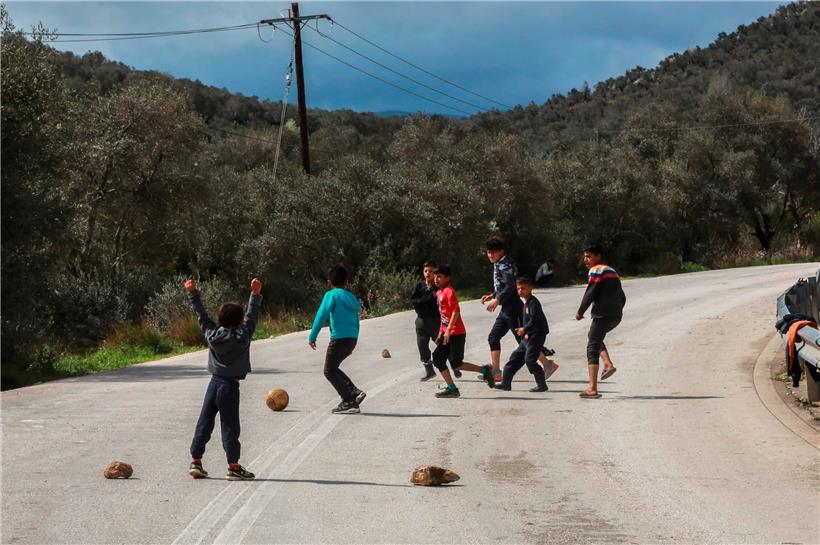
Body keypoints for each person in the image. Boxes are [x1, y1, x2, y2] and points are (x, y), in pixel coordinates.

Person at [186, 277, 262, 481]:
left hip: (214, 383)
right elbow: (252, 316)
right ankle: (234, 466)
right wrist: (254, 294)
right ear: (239, 322)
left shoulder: (212, 334)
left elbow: (202, 315)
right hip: (230, 387)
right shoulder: (243, 336)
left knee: (205, 421)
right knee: (230, 426)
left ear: (220, 320)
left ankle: (196, 461)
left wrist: (193, 293)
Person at [481, 236, 556, 382]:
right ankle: (496, 372)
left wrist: (497, 299)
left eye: (493, 252)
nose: (490, 255)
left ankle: (547, 364)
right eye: (488, 252)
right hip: (506, 310)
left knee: (524, 341)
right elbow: (502, 286)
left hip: (514, 308)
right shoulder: (499, 263)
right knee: (493, 337)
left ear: (501, 251)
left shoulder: (505, 265)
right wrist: (492, 295)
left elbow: (510, 286)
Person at [431, 265, 496, 398]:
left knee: (457, 364)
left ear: (447, 278)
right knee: (438, 359)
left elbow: (456, 311)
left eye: (439, 276)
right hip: (446, 332)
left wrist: (448, 330)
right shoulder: (438, 293)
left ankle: (485, 370)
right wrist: (440, 332)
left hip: (456, 333)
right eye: (435, 276)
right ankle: (452, 388)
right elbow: (443, 316)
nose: (436, 279)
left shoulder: (449, 291)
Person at [308, 265, 366, 414]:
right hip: (351, 339)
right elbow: (356, 321)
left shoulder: (331, 295)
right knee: (333, 368)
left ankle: (349, 401)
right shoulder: (351, 297)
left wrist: (312, 336)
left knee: (329, 370)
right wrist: (354, 341)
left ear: (329, 282)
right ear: (346, 281)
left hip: (339, 339)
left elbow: (321, 315)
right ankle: (353, 392)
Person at [576, 243, 626, 398]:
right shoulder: (612, 271)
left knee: (592, 346)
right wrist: (617, 309)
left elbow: (591, 292)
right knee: (594, 338)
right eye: (584, 256)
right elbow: (622, 296)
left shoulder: (596, 270)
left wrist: (580, 311)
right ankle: (608, 364)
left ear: (599, 256)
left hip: (602, 314)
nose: (586, 259)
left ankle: (592, 388)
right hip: (616, 315)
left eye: (589, 256)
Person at [495, 276, 550, 392]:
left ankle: (542, 385)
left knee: (530, 360)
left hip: (537, 336)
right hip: (528, 337)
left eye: (523, 288)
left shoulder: (534, 303)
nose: (520, 291)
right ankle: (506, 383)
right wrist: (525, 332)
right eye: (518, 288)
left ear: (530, 288)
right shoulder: (526, 303)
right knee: (515, 358)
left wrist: (525, 330)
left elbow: (535, 319)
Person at [411, 261, 461, 380]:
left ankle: (455, 366)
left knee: (443, 346)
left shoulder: (437, 288)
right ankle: (429, 371)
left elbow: (429, 300)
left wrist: (420, 301)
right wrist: (421, 302)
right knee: (422, 346)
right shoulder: (420, 285)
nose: (428, 274)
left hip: (435, 321)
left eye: (431, 271)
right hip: (421, 321)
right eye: (426, 271)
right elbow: (413, 300)